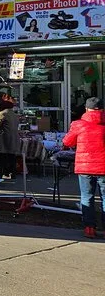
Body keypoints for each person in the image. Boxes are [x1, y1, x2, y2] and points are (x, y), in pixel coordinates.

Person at [62, 97, 105, 239]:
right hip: (103, 167)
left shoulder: (78, 125)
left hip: (85, 167)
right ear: (102, 110)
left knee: (87, 197)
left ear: (86, 109)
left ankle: (89, 228)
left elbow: (67, 142)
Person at [0, 95, 20, 181]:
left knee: (2, 156)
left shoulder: (2, 113)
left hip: (4, 138)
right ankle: (13, 173)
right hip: (14, 137)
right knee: (12, 156)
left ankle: (0, 173)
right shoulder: (15, 115)